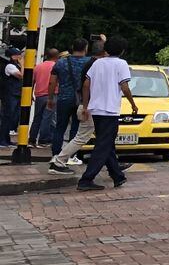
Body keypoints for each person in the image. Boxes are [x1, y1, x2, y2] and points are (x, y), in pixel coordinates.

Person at [78, 35, 135, 192]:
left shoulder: (97, 63)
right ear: (122, 51)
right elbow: (124, 87)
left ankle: (117, 176)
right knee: (103, 145)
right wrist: (133, 104)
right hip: (110, 110)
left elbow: (86, 84)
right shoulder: (121, 64)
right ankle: (87, 179)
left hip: (96, 109)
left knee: (106, 143)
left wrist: (85, 105)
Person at [47, 40, 91, 171]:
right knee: (76, 129)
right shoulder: (89, 62)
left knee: (59, 127)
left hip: (63, 98)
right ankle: (71, 156)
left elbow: (52, 82)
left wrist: (50, 98)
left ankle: (55, 155)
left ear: (72, 47)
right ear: (85, 48)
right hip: (81, 99)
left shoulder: (60, 62)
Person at [27, 47, 57, 148]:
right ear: (56, 56)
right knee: (47, 118)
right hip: (52, 95)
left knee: (37, 117)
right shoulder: (56, 66)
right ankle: (43, 140)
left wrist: (30, 94)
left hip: (39, 95)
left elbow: (32, 81)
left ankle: (32, 139)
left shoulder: (38, 67)